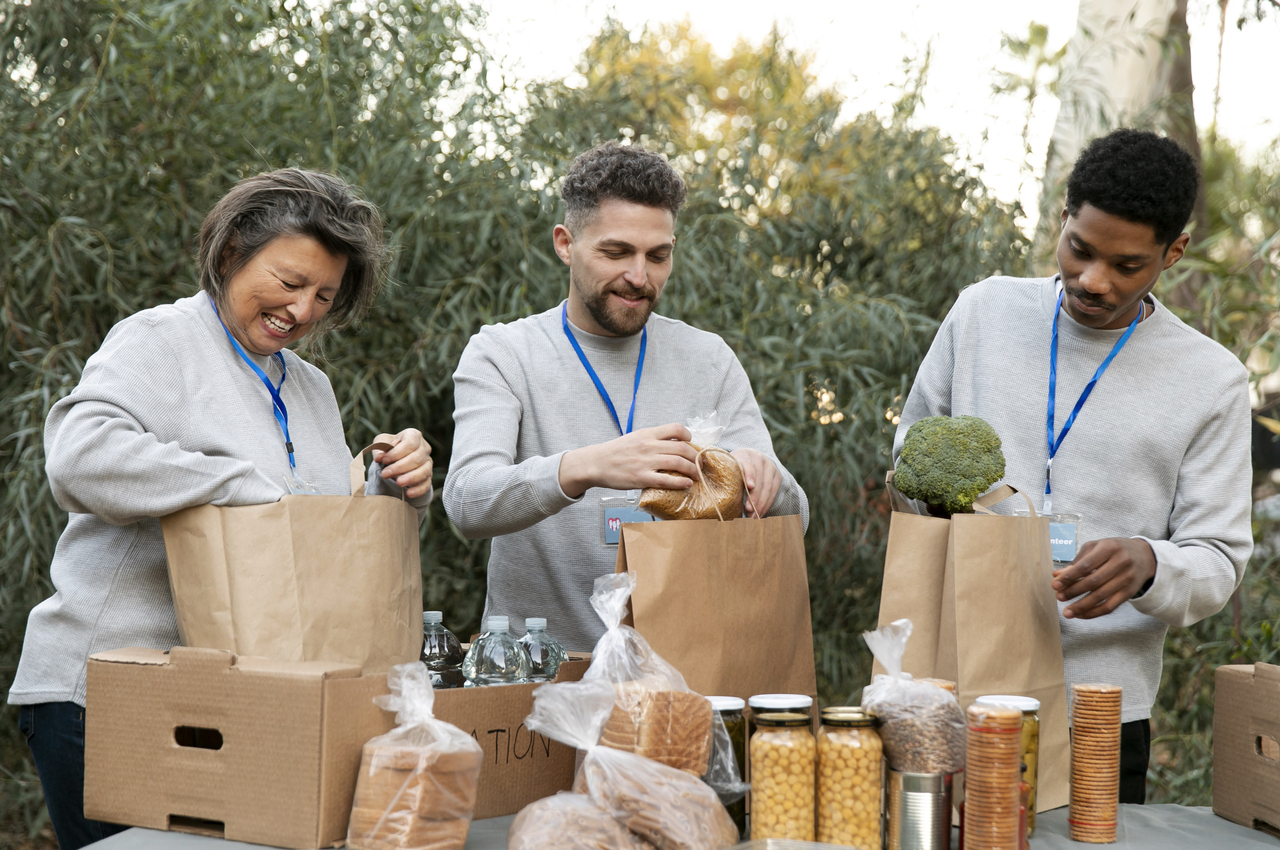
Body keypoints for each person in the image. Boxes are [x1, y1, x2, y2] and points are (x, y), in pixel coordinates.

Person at [9, 169, 435, 849]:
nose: (302, 311)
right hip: (110, 696)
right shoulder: (163, 339)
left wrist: (394, 481)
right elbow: (79, 456)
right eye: (290, 283)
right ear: (233, 250)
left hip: (232, 704)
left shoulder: (311, 388)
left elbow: (306, 532)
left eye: (324, 295)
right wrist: (233, 481)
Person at [893, 128, 1252, 803]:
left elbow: (1219, 560)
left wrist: (1150, 562)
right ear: (1064, 217)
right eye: (1079, 251)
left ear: (1173, 252)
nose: (1093, 280)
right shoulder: (983, 313)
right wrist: (950, 501)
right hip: (949, 681)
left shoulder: (1213, 380)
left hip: (1101, 711)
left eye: (1127, 265)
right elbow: (911, 453)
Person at [443, 142, 809, 652]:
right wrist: (591, 466)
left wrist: (770, 481)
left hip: (684, 672)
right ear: (565, 244)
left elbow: (794, 520)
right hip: (540, 680)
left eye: (658, 256)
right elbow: (468, 500)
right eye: (616, 253)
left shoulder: (709, 359)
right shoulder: (504, 353)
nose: (640, 277)